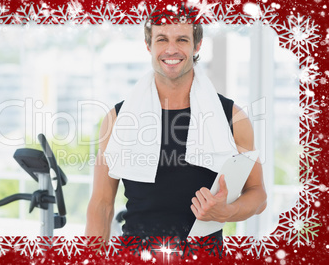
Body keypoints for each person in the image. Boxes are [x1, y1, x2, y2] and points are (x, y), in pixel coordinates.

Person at [85, 16, 267, 242]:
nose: (171, 50)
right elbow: (101, 205)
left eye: (181, 39)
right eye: (162, 39)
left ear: (197, 45)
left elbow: (258, 194)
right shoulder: (117, 119)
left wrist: (226, 212)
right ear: (148, 45)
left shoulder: (233, 117)